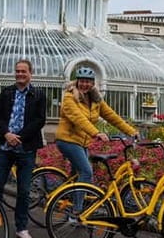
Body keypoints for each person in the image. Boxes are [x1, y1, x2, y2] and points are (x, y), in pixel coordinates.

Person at [55, 66, 138, 207]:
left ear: (93, 83)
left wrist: (131, 131)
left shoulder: (95, 100)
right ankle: (77, 212)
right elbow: (79, 119)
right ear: (77, 81)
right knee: (86, 172)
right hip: (68, 140)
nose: (84, 84)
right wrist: (96, 133)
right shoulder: (69, 97)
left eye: (88, 81)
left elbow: (111, 116)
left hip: (82, 143)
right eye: (82, 81)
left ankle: (67, 201)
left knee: (77, 175)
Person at [0, 59, 47, 238]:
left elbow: (40, 120)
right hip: (6, 147)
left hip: (26, 148)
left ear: (30, 73)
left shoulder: (38, 94)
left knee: (24, 190)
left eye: (23, 71)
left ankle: (21, 228)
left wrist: (19, 136)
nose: (20, 74)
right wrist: (6, 134)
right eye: (17, 71)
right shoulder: (7, 92)